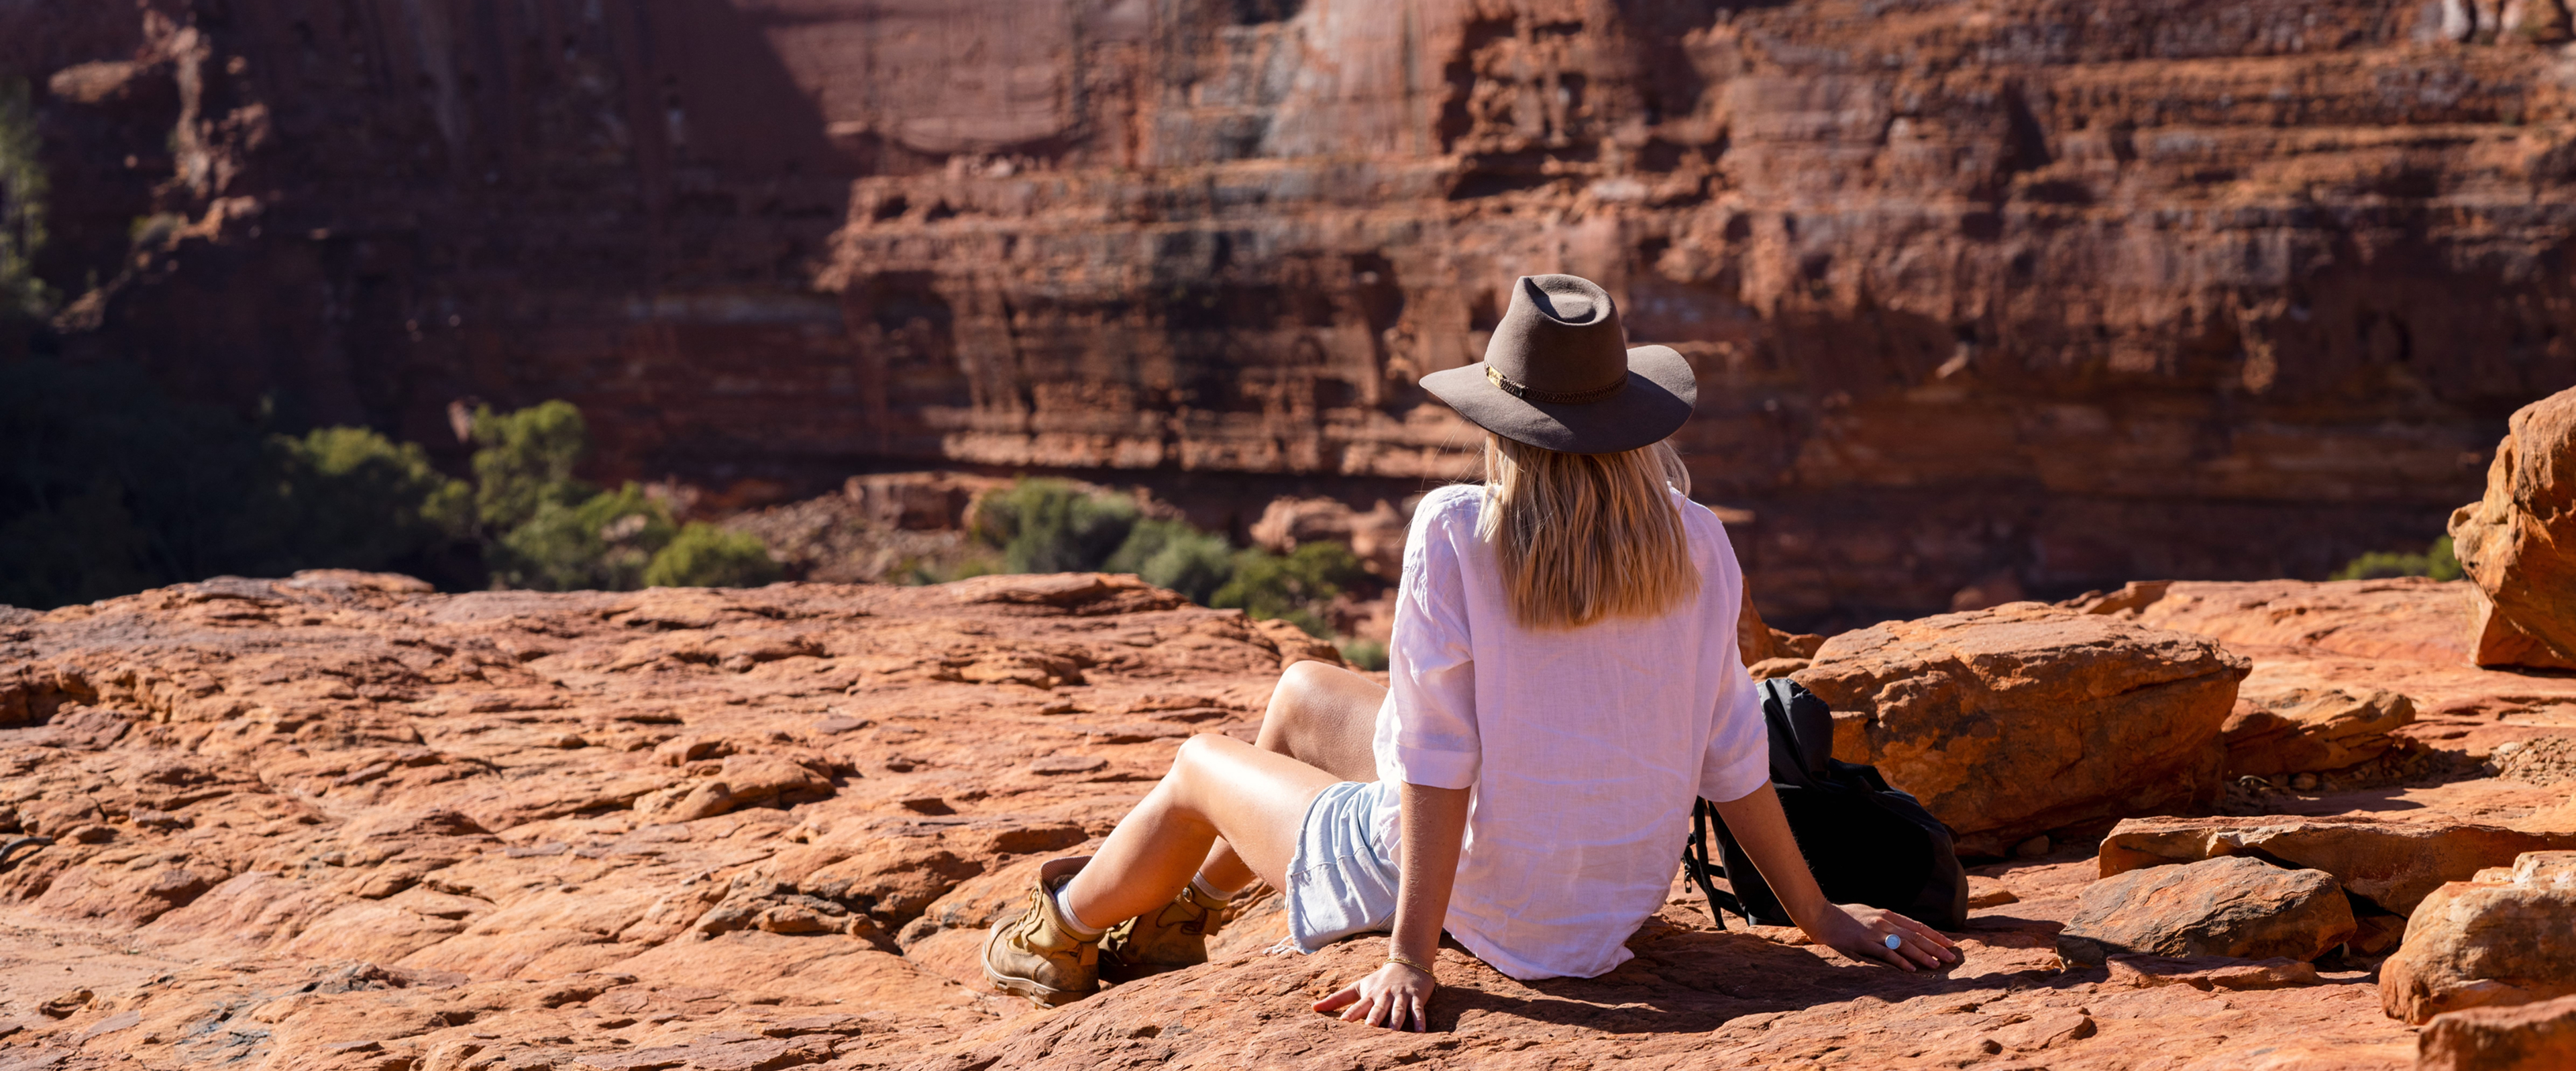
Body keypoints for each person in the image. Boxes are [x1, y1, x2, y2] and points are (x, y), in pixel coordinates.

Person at [981, 273, 1960, 1029]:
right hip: (1609, 900)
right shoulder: (1695, 537)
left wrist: (1411, 955)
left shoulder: (1457, 530)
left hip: (1475, 893)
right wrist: (1817, 914)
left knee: (1199, 764)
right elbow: (1733, 753)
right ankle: (1180, 915)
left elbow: (1437, 763)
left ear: (1505, 421)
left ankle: (1057, 933)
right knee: (1302, 692)